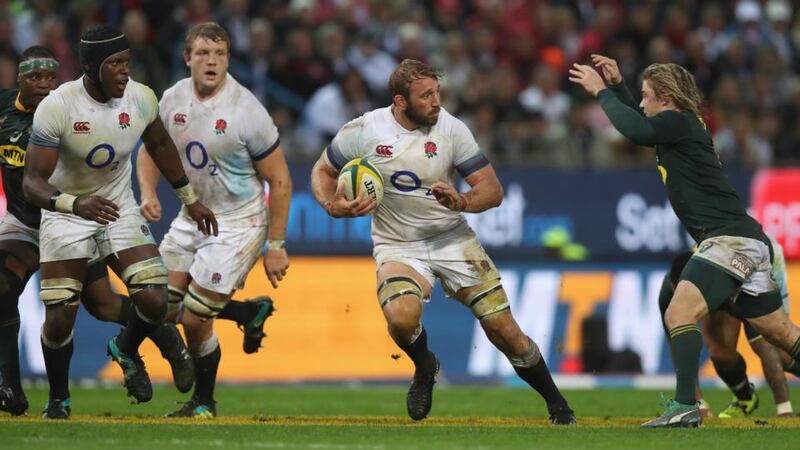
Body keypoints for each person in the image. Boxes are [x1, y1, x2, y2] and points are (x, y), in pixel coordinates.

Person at [310, 59, 576, 425]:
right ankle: (425, 366)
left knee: (504, 331)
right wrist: (332, 205)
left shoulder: (452, 130)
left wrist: (463, 200)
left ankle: (558, 404)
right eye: (426, 95)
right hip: (397, 244)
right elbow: (323, 170)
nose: (436, 102)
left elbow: (493, 191)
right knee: (401, 318)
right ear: (400, 102)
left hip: (452, 239)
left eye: (437, 92)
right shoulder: (364, 130)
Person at [569, 55, 800, 428]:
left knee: (679, 314)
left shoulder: (677, 122)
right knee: (782, 334)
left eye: (646, 96)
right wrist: (618, 87)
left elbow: (637, 130)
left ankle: (684, 406)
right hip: (747, 239)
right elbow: (643, 125)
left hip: (727, 240)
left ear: (665, 96)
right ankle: (686, 405)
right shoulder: (681, 124)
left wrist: (601, 92)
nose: (642, 104)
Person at [22, 25, 217, 419]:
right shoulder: (58, 106)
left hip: (116, 206)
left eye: (127, 62)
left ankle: (124, 350)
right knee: (60, 318)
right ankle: (58, 400)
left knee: (154, 297)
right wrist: (75, 205)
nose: (124, 71)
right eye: (115, 63)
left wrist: (189, 199)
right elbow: (32, 183)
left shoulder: (141, 98)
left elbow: (160, 144)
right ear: (92, 67)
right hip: (67, 213)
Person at [137, 22, 292, 419]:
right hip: (192, 218)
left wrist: (276, 245)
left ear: (228, 59)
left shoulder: (247, 110)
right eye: (203, 53)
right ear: (187, 58)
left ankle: (203, 402)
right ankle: (246, 312)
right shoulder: (171, 99)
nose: (212, 61)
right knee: (160, 308)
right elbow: (152, 149)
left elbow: (279, 178)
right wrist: (149, 193)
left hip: (238, 222)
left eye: (220, 54)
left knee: (193, 317)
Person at [660, 245, 796, 419]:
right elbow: (678, 349)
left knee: (777, 346)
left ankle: (784, 404)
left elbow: (764, 343)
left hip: (759, 262)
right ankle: (745, 398)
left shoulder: (728, 285)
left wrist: (784, 410)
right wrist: (698, 402)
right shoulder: (669, 292)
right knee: (720, 352)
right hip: (726, 260)